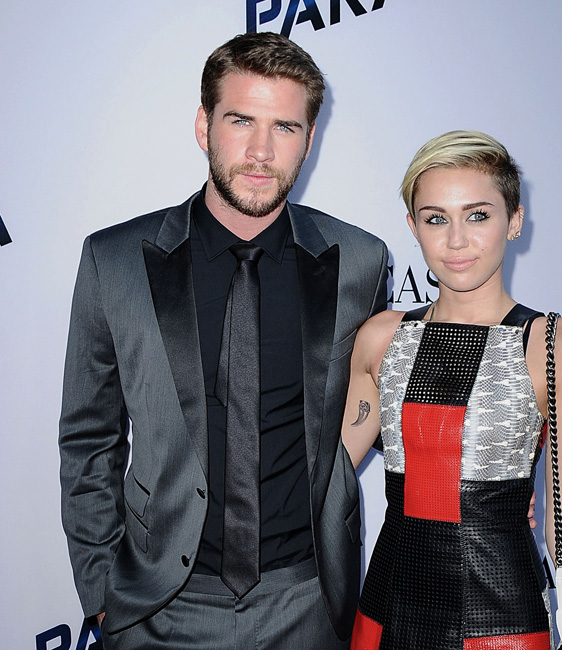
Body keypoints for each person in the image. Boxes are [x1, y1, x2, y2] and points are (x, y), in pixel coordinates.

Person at [59, 32, 388, 650]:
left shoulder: (358, 261)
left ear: (310, 138)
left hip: (307, 603)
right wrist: (102, 592)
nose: (262, 151)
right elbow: (87, 436)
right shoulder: (116, 261)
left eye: (285, 127)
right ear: (203, 126)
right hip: (158, 609)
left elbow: (386, 403)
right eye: (241, 121)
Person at [342, 131, 562, 649]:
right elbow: (325, 480)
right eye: (435, 218)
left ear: (515, 221)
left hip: (503, 622)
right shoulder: (382, 337)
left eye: (478, 215)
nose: (456, 241)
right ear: (413, 227)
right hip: (385, 615)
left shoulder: (555, 346)